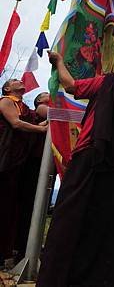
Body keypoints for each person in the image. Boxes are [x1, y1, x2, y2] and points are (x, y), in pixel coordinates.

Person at [36, 52, 114, 287]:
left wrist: (60, 62)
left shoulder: (112, 82)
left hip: (91, 155)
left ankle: (60, 275)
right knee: (102, 222)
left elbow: (71, 85)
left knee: (70, 214)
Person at [0, 79, 47, 268]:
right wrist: (41, 129)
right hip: (6, 158)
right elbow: (16, 123)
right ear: (7, 88)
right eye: (14, 80)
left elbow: (36, 122)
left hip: (19, 162)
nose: (19, 80)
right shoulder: (5, 100)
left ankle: (7, 251)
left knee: (12, 208)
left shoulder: (25, 107)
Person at [14, 92, 50, 262]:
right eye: (46, 93)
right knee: (30, 203)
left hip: (42, 162)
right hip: (35, 162)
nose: (49, 94)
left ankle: (26, 244)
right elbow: (53, 114)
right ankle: (23, 246)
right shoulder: (42, 108)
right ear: (39, 101)